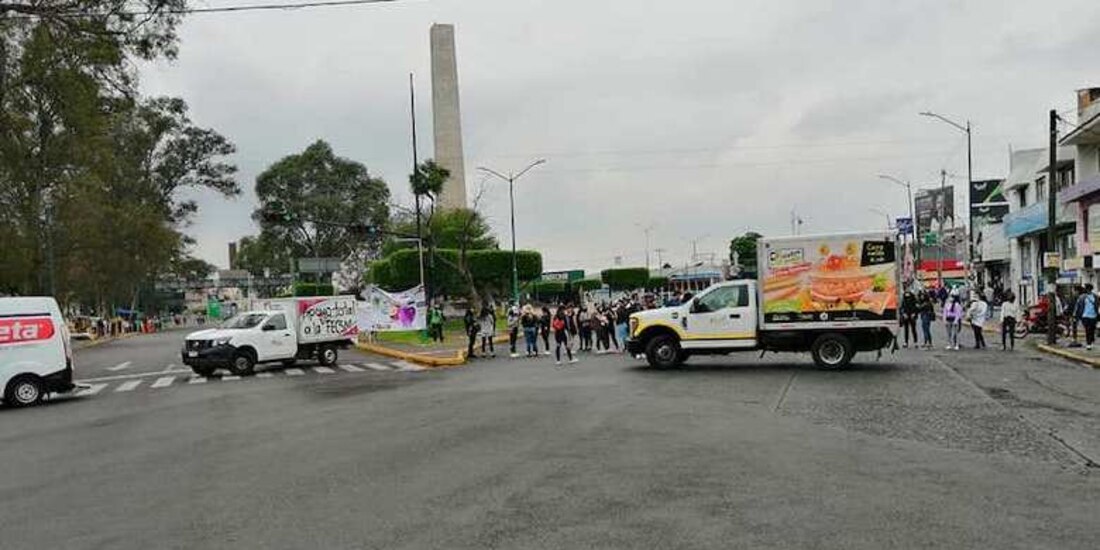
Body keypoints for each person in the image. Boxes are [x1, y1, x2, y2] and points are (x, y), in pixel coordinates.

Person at [1080, 284, 1098, 350]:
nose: (1087, 290)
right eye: (1086, 289)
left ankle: (1091, 339)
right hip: (1085, 316)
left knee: (1092, 329)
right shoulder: (1083, 297)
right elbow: (1079, 306)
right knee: (1087, 330)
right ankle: (1088, 344)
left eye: (1088, 289)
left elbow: (1097, 305)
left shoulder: (1095, 297)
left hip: (1093, 315)